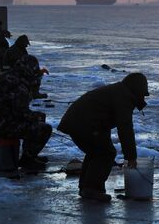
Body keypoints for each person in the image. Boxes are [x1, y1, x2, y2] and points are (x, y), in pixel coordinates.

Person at [57, 73, 149, 202]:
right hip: (82, 124)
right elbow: (125, 128)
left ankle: (86, 187)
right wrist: (131, 157)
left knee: (97, 151)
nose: (142, 97)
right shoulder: (123, 97)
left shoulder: (119, 91)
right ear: (136, 90)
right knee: (106, 153)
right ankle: (91, 189)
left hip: (79, 122)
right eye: (142, 93)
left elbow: (102, 116)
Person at [0, 55, 52, 170]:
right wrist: (38, 117)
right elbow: (21, 113)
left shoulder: (1, 77)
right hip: (3, 126)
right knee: (44, 128)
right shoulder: (19, 85)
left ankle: (29, 156)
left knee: (36, 120)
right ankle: (28, 159)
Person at [2, 34, 48, 99]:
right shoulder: (15, 51)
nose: (26, 46)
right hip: (10, 71)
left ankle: (31, 93)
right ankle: (34, 93)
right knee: (36, 76)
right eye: (25, 44)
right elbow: (20, 65)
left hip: (13, 70)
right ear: (21, 43)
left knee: (36, 74)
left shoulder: (19, 49)